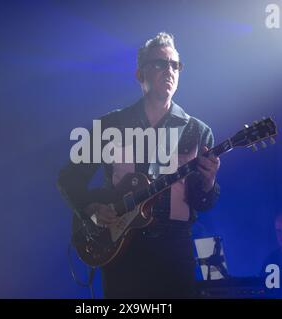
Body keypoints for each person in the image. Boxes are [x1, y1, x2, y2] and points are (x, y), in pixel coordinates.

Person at [57, 32, 220, 298]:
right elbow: (68, 178)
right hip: (122, 252)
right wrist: (90, 208)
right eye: (160, 63)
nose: (169, 70)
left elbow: (202, 203)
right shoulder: (110, 125)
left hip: (174, 253)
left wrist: (209, 182)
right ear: (139, 74)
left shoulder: (198, 132)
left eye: (175, 65)